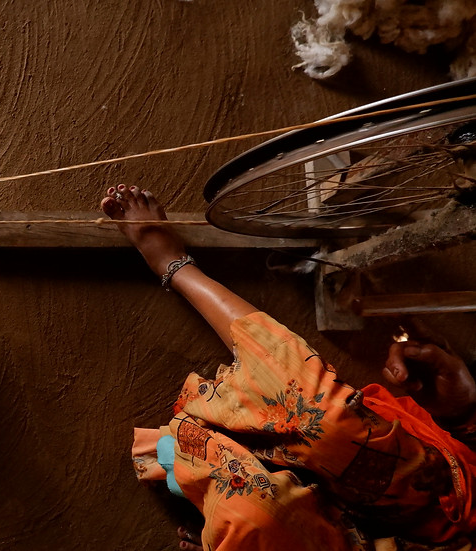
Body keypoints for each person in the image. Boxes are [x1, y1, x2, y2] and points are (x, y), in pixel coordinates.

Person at [100, 184, 476, 551]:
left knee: (254, 521)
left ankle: (219, 476)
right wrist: (463, 413)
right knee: (325, 421)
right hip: (450, 502)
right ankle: (175, 266)